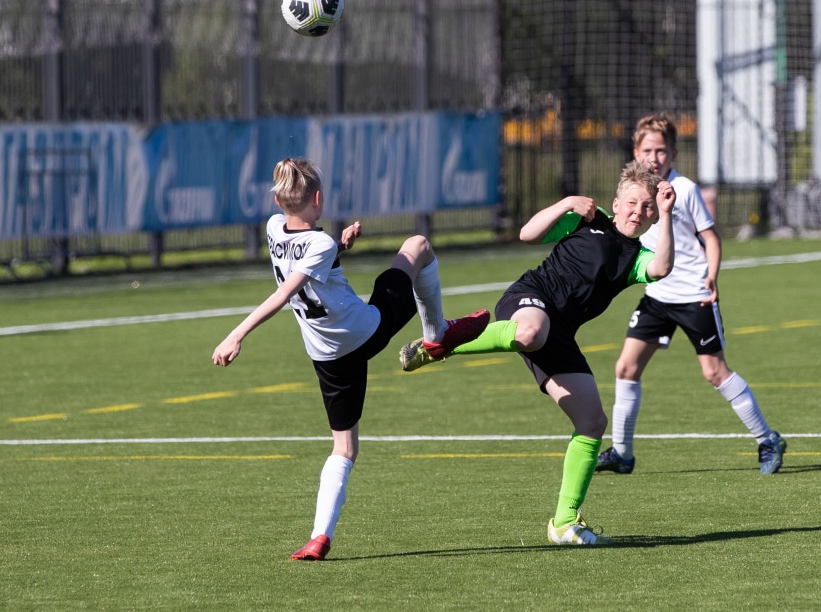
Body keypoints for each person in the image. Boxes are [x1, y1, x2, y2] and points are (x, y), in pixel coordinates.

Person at [212, 157, 490, 561]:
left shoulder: (274, 229)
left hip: (326, 356)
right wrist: (236, 335)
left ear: (278, 202)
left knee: (343, 449)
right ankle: (437, 337)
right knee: (418, 247)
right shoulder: (320, 244)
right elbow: (284, 292)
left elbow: (305, 259)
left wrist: (340, 244)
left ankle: (318, 537)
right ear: (319, 199)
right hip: (366, 332)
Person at [400, 161, 675, 545]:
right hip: (529, 299)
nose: (638, 212)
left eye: (647, 208)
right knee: (530, 331)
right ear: (616, 203)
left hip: (559, 333)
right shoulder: (585, 222)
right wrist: (566, 203)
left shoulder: (635, 259)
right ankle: (443, 339)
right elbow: (527, 234)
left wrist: (666, 214)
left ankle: (564, 524)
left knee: (592, 422)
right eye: (632, 203)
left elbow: (662, 268)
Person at [595, 113, 787, 476]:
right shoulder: (634, 192)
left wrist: (712, 276)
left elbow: (710, 239)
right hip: (657, 295)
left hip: (693, 294)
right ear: (636, 151)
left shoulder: (684, 189)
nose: (655, 157)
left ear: (674, 153)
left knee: (714, 372)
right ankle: (622, 453)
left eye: (662, 150)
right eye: (648, 149)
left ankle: (767, 439)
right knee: (626, 367)